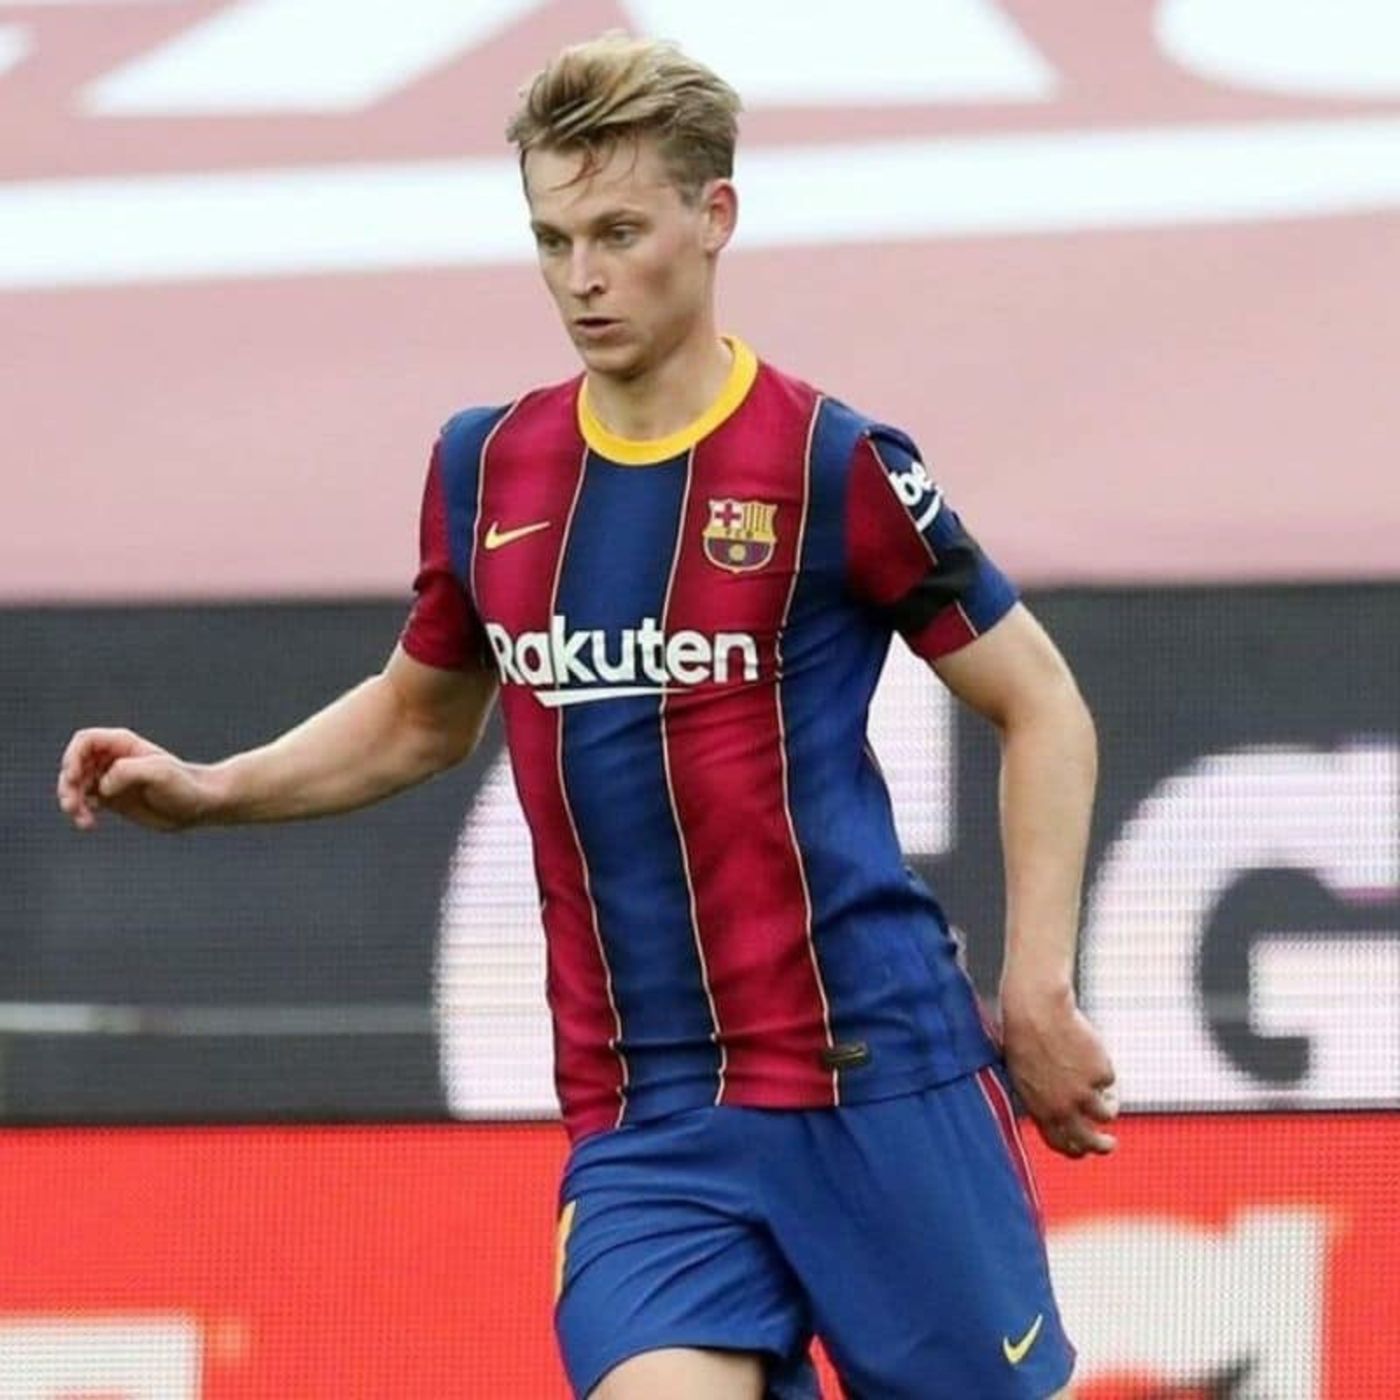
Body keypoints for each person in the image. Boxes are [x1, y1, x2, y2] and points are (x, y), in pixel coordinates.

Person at [56, 32, 1117, 1400]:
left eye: (618, 233)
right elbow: (420, 717)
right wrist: (214, 789)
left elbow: (1043, 704)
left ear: (714, 216)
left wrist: (1037, 987)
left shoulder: (830, 463)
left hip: (873, 1078)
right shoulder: (487, 465)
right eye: (552, 240)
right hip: (646, 1116)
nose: (582, 277)